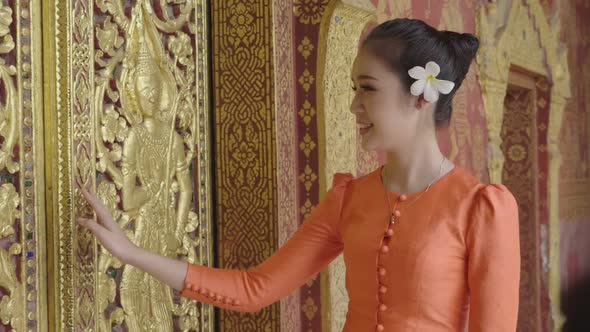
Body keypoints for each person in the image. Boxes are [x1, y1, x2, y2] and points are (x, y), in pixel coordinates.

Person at [78, 18, 520, 331]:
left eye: (367, 89)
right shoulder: (350, 199)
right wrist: (132, 253)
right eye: (352, 90)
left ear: (421, 95)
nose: (353, 107)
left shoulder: (481, 209)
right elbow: (254, 289)